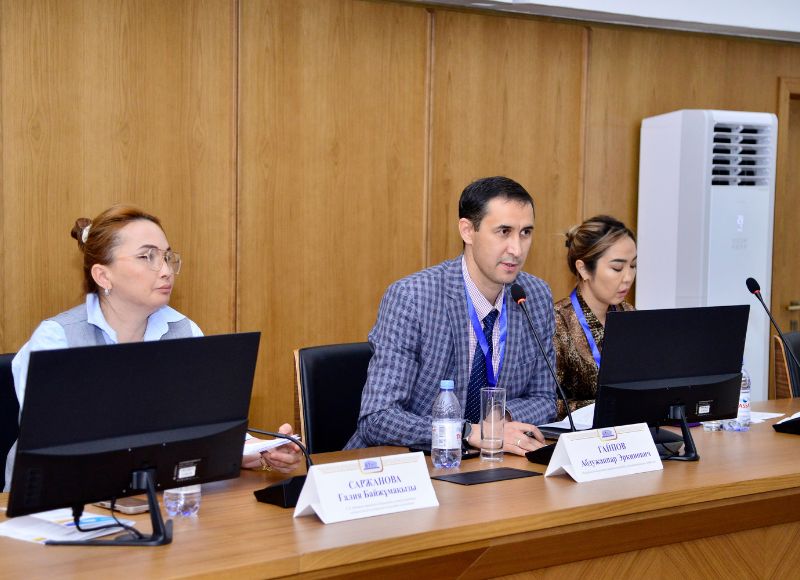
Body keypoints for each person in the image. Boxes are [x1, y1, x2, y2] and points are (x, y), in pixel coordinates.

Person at [3, 205, 301, 491]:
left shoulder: (184, 332)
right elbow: (57, 449)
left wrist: (260, 451)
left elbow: (203, 427)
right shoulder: (56, 339)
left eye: (167, 257)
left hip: (154, 498)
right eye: (147, 257)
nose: (166, 270)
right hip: (60, 506)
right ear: (103, 275)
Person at [346, 176, 557, 455]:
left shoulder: (534, 296)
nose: (517, 249)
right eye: (504, 231)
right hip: (408, 462)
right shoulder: (413, 298)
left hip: (489, 462)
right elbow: (378, 418)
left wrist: (499, 420)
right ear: (467, 231)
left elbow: (545, 399)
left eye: (525, 232)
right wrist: (468, 432)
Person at [553, 215, 637, 418]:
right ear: (583, 269)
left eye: (633, 266)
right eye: (617, 268)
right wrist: (609, 405)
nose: (628, 277)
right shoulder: (557, 321)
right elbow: (545, 403)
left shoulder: (629, 314)